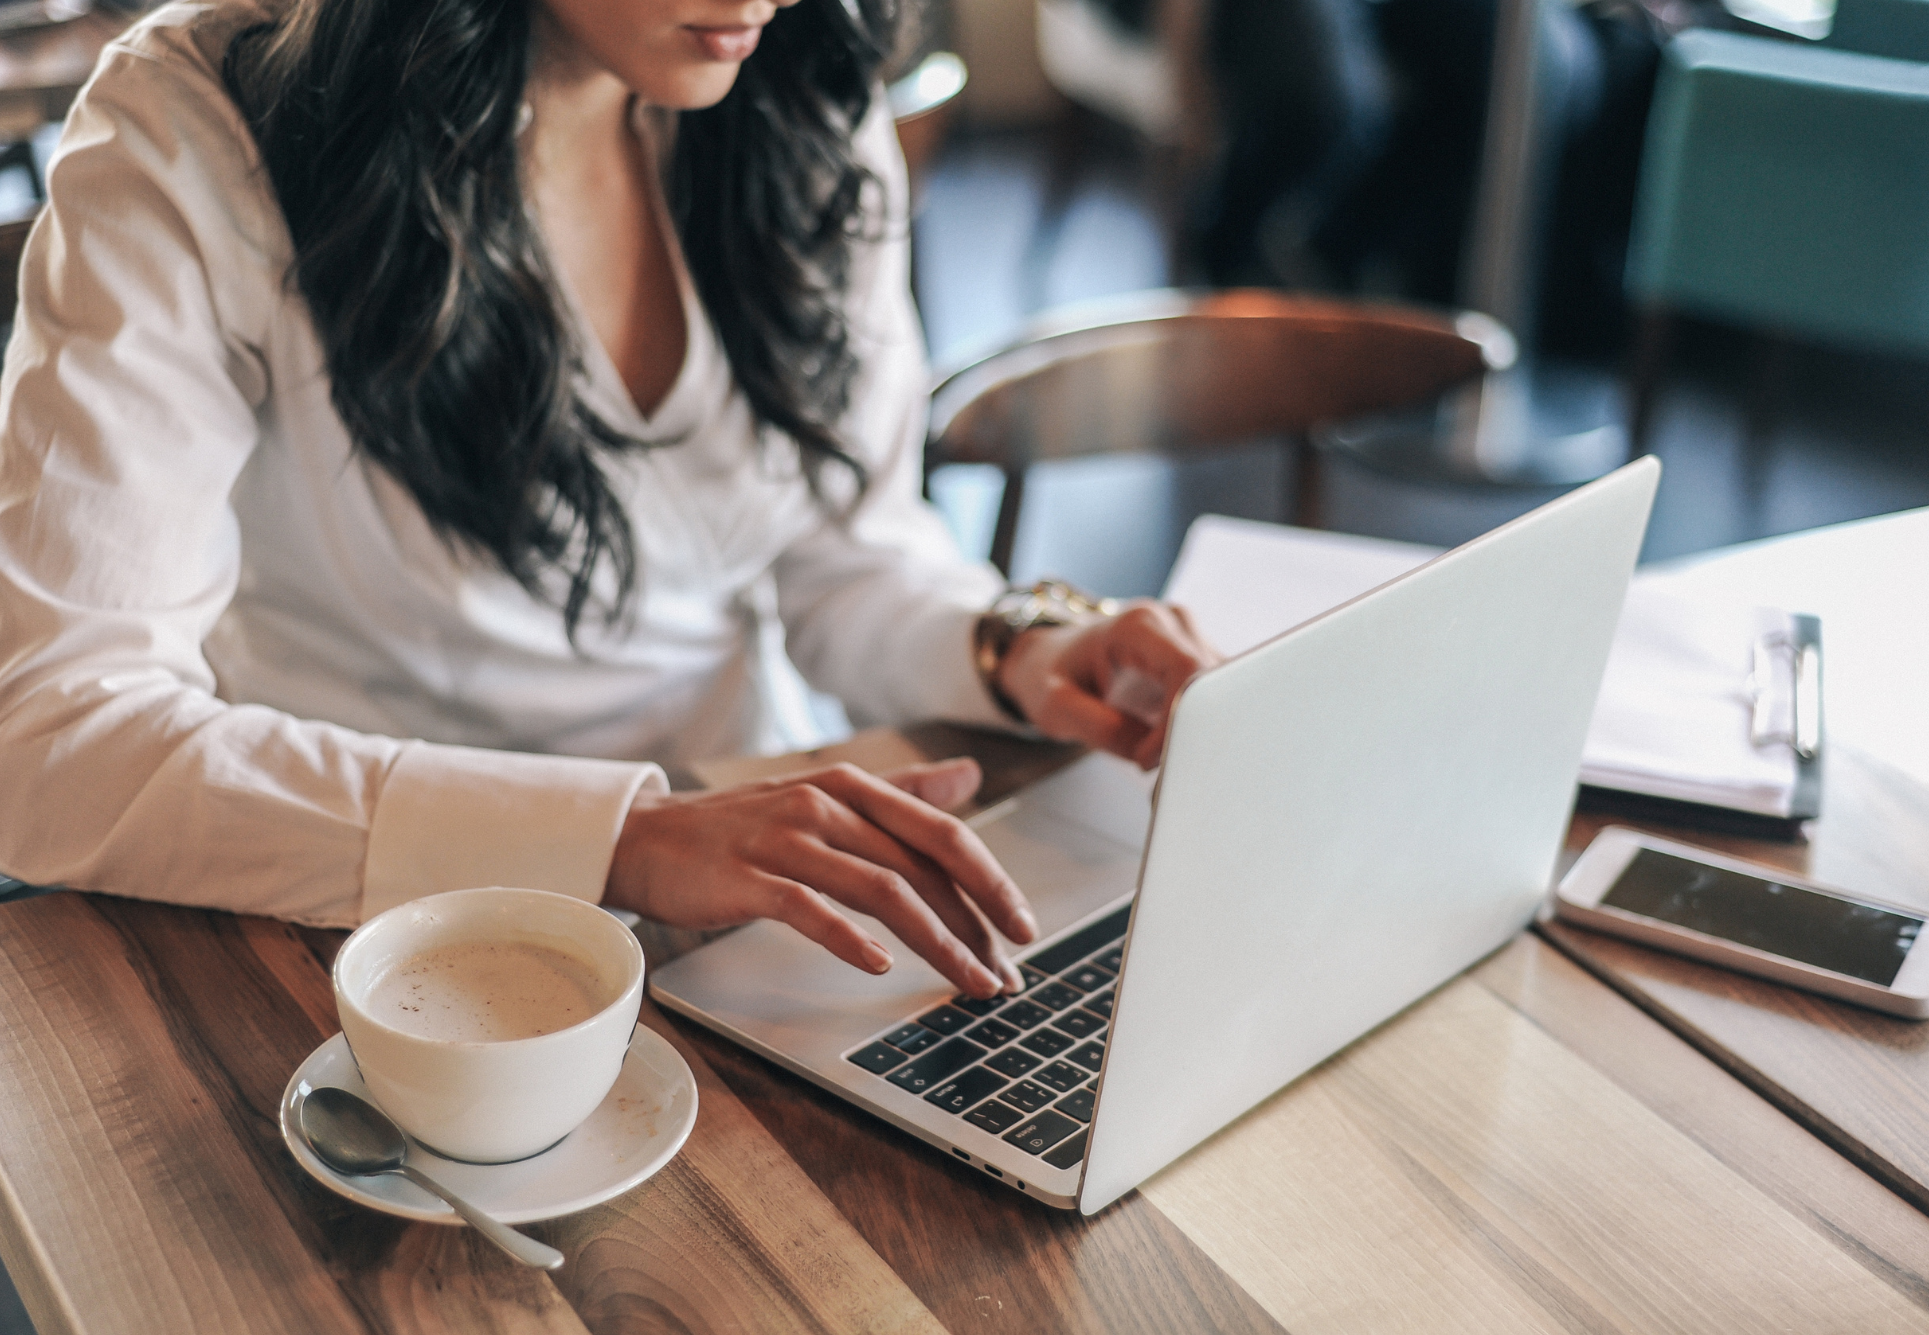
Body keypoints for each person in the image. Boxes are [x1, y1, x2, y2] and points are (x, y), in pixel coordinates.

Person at [0, 0, 1216, 1000]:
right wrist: (623, 839)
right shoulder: (198, 127)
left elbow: (846, 561)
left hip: (766, 889)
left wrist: (1016, 644)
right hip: (365, 935)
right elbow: (54, 742)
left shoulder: (792, 93)